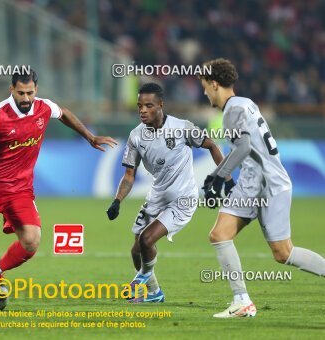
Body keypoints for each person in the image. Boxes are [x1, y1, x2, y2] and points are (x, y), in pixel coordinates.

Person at [0, 70, 117, 308]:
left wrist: (89, 136)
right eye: (21, 93)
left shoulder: (44, 108)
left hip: (20, 190)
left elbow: (63, 113)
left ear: (36, 90)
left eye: (30, 93)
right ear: (11, 90)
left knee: (31, 241)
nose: (26, 98)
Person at [198, 58, 325, 318]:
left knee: (283, 253)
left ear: (214, 84)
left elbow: (244, 147)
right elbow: (249, 150)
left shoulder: (232, 110)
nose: (204, 92)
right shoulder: (246, 104)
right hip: (256, 183)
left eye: (204, 86)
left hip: (266, 186)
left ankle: (242, 301)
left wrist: (220, 176)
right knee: (221, 235)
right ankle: (242, 301)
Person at [106, 83, 230, 303]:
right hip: (157, 197)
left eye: (148, 105)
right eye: (139, 106)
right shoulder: (136, 136)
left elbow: (211, 146)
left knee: (147, 239)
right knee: (137, 251)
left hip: (183, 199)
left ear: (161, 105)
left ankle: (139, 279)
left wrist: (226, 179)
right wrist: (117, 201)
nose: (142, 110)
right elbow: (128, 176)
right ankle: (154, 293)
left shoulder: (182, 127)